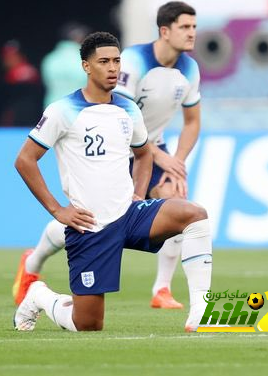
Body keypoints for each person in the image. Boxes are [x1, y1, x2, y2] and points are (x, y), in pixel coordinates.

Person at [13, 31, 212, 332]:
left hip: (129, 215)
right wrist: (58, 211)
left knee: (194, 215)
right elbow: (24, 160)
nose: (113, 68)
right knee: (88, 324)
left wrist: (138, 194)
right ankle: (39, 294)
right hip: (90, 225)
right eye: (103, 61)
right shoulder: (62, 111)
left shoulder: (128, 108)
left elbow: (144, 154)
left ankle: (200, 311)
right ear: (86, 67)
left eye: (117, 61)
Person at [40, 22, 90, 109]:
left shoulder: (49, 59)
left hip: (52, 106)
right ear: (78, 38)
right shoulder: (86, 59)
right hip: (78, 108)